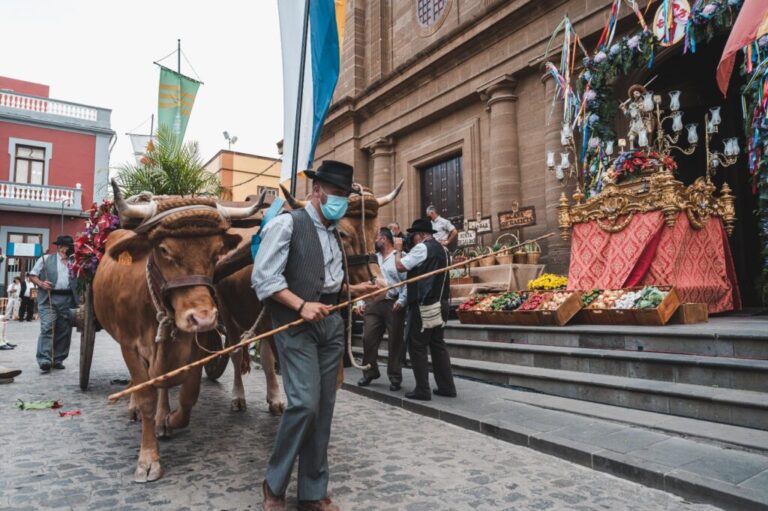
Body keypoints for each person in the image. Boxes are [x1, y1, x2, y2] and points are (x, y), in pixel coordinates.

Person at [252, 160, 380, 511]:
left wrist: (356, 289)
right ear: (317, 191)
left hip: (331, 324)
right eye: (336, 194)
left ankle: (312, 491)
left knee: (323, 410)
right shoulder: (286, 225)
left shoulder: (336, 233)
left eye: (344, 196)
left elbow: (330, 283)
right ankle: (274, 484)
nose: (340, 201)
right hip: (295, 325)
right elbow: (264, 278)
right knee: (304, 404)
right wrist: (300, 305)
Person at [394, 218, 457, 401]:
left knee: (417, 346)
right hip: (442, 302)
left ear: (421, 235)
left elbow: (400, 266)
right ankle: (447, 387)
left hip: (424, 304)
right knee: (437, 345)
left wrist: (398, 250)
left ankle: (422, 389)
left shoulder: (422, 248)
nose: (411, 239)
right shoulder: (443, 250)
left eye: (413, 235)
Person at [357, 227, 407, 392]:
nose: (374, 241)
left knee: (395, 341)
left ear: (384, 239)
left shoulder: (400, 256)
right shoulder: (373, 259)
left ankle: (395, 376)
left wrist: (402, 300)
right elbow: (366, 281)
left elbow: (407, 281)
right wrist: (360, 301)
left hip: (393, 302)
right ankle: (370, 372)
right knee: (368, 338)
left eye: (376, 238)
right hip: (373, 303)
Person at [28, 235, 79, 373]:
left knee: (64, 330)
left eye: (71, 247)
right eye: (67, 247)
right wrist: (41, 283)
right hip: (48, 298)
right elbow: (32, 275)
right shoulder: (45, 259)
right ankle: (44, 359)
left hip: (68, 299)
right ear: (60, 247)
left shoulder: (75, 261)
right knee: (47, 327)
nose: (69, 250)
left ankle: (58, 359)